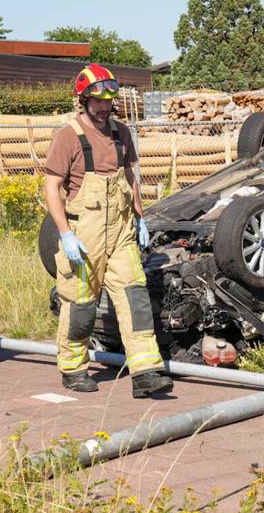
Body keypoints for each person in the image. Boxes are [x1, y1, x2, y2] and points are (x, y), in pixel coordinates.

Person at [44, 64, 172, 398]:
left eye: (108, 102)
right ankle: (73, 369)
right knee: (80, 304)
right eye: (97, 102)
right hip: (83, 235)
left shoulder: (121, 133)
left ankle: (145, 372)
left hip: (121, 231)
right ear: (83, 100)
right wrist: (64, 233)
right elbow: (51, 186)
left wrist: (140, 218)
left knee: (135, 298)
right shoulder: (68, 136)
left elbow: (130, 179)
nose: (104, 108)